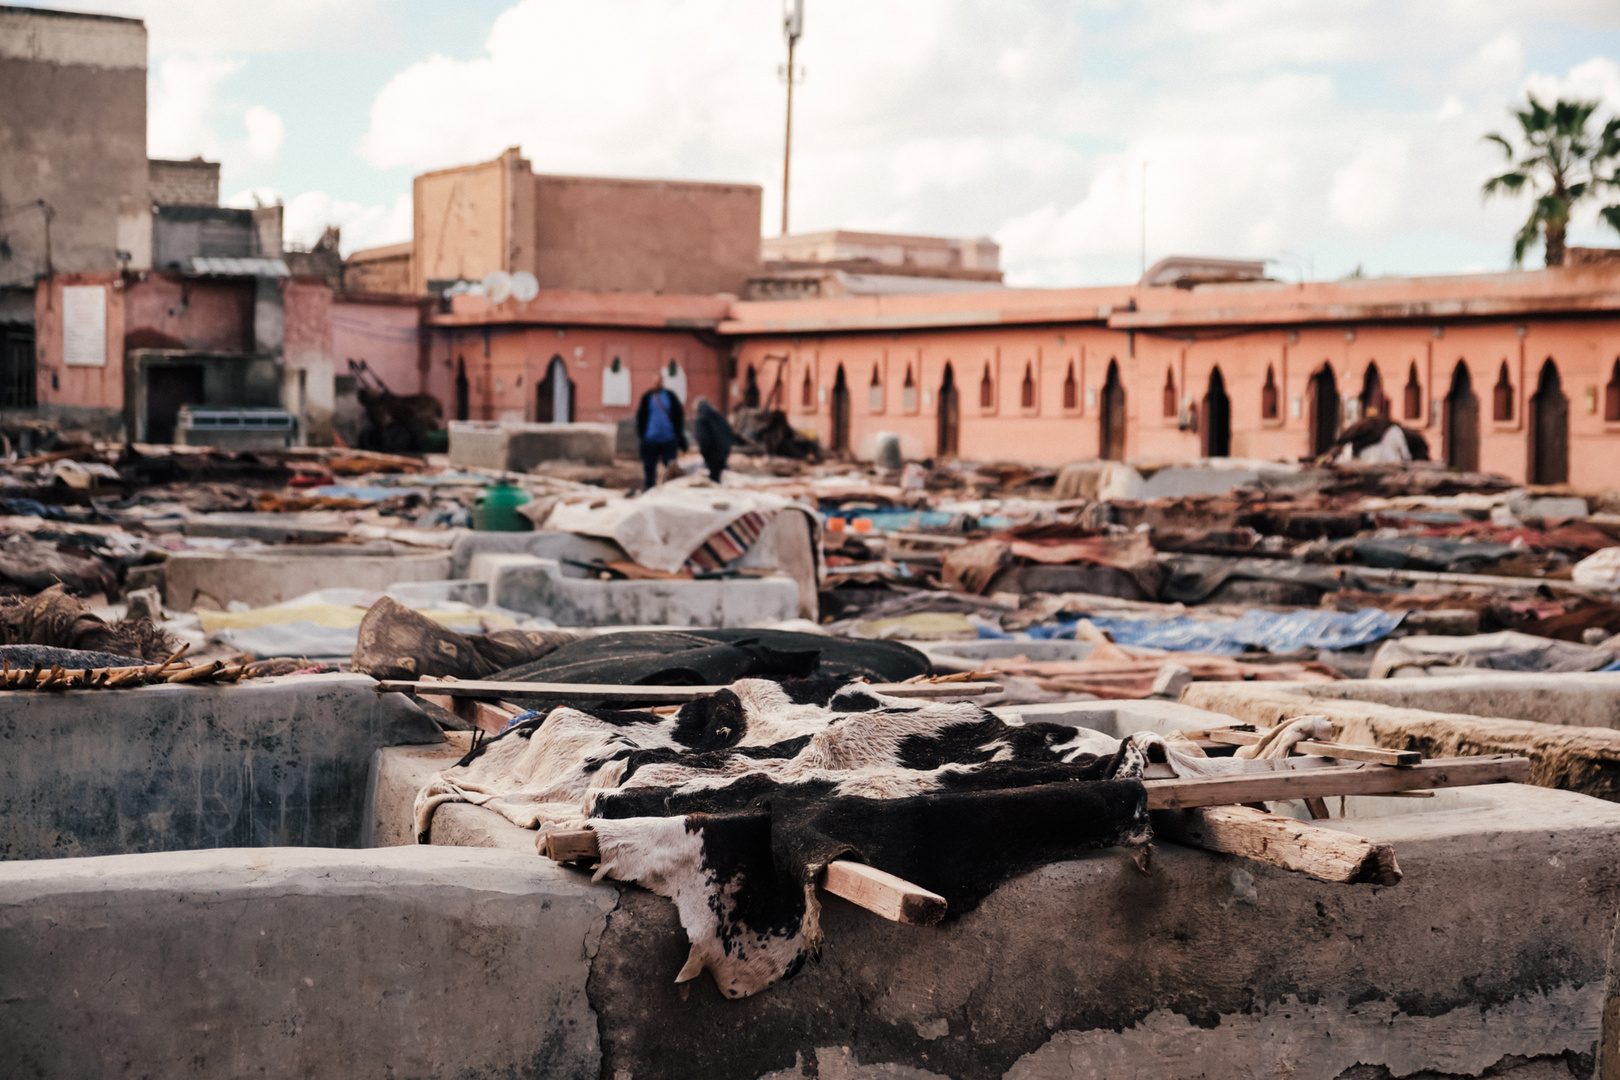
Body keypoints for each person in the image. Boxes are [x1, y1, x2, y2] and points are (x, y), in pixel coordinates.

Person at [635, 377, 686, 491]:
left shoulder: (670, 396)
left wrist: (679, 436)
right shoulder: (647, 397)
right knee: (649, 468)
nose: (657, 384)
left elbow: (678, 416)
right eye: (655, 382)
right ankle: (649, 490)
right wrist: (642, 435)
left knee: (671, 468)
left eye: (659, 382)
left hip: (669, 439)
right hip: (650, 439)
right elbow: (641, 417)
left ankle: (670, 491)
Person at [692, 397, 735, 482]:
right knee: (717, 476)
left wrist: (704, 453)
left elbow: (703, 439)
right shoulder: (719, 416)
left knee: (713, 477)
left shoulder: (702, 419)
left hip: (712, 453)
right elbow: (729, 432)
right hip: (724, 450)